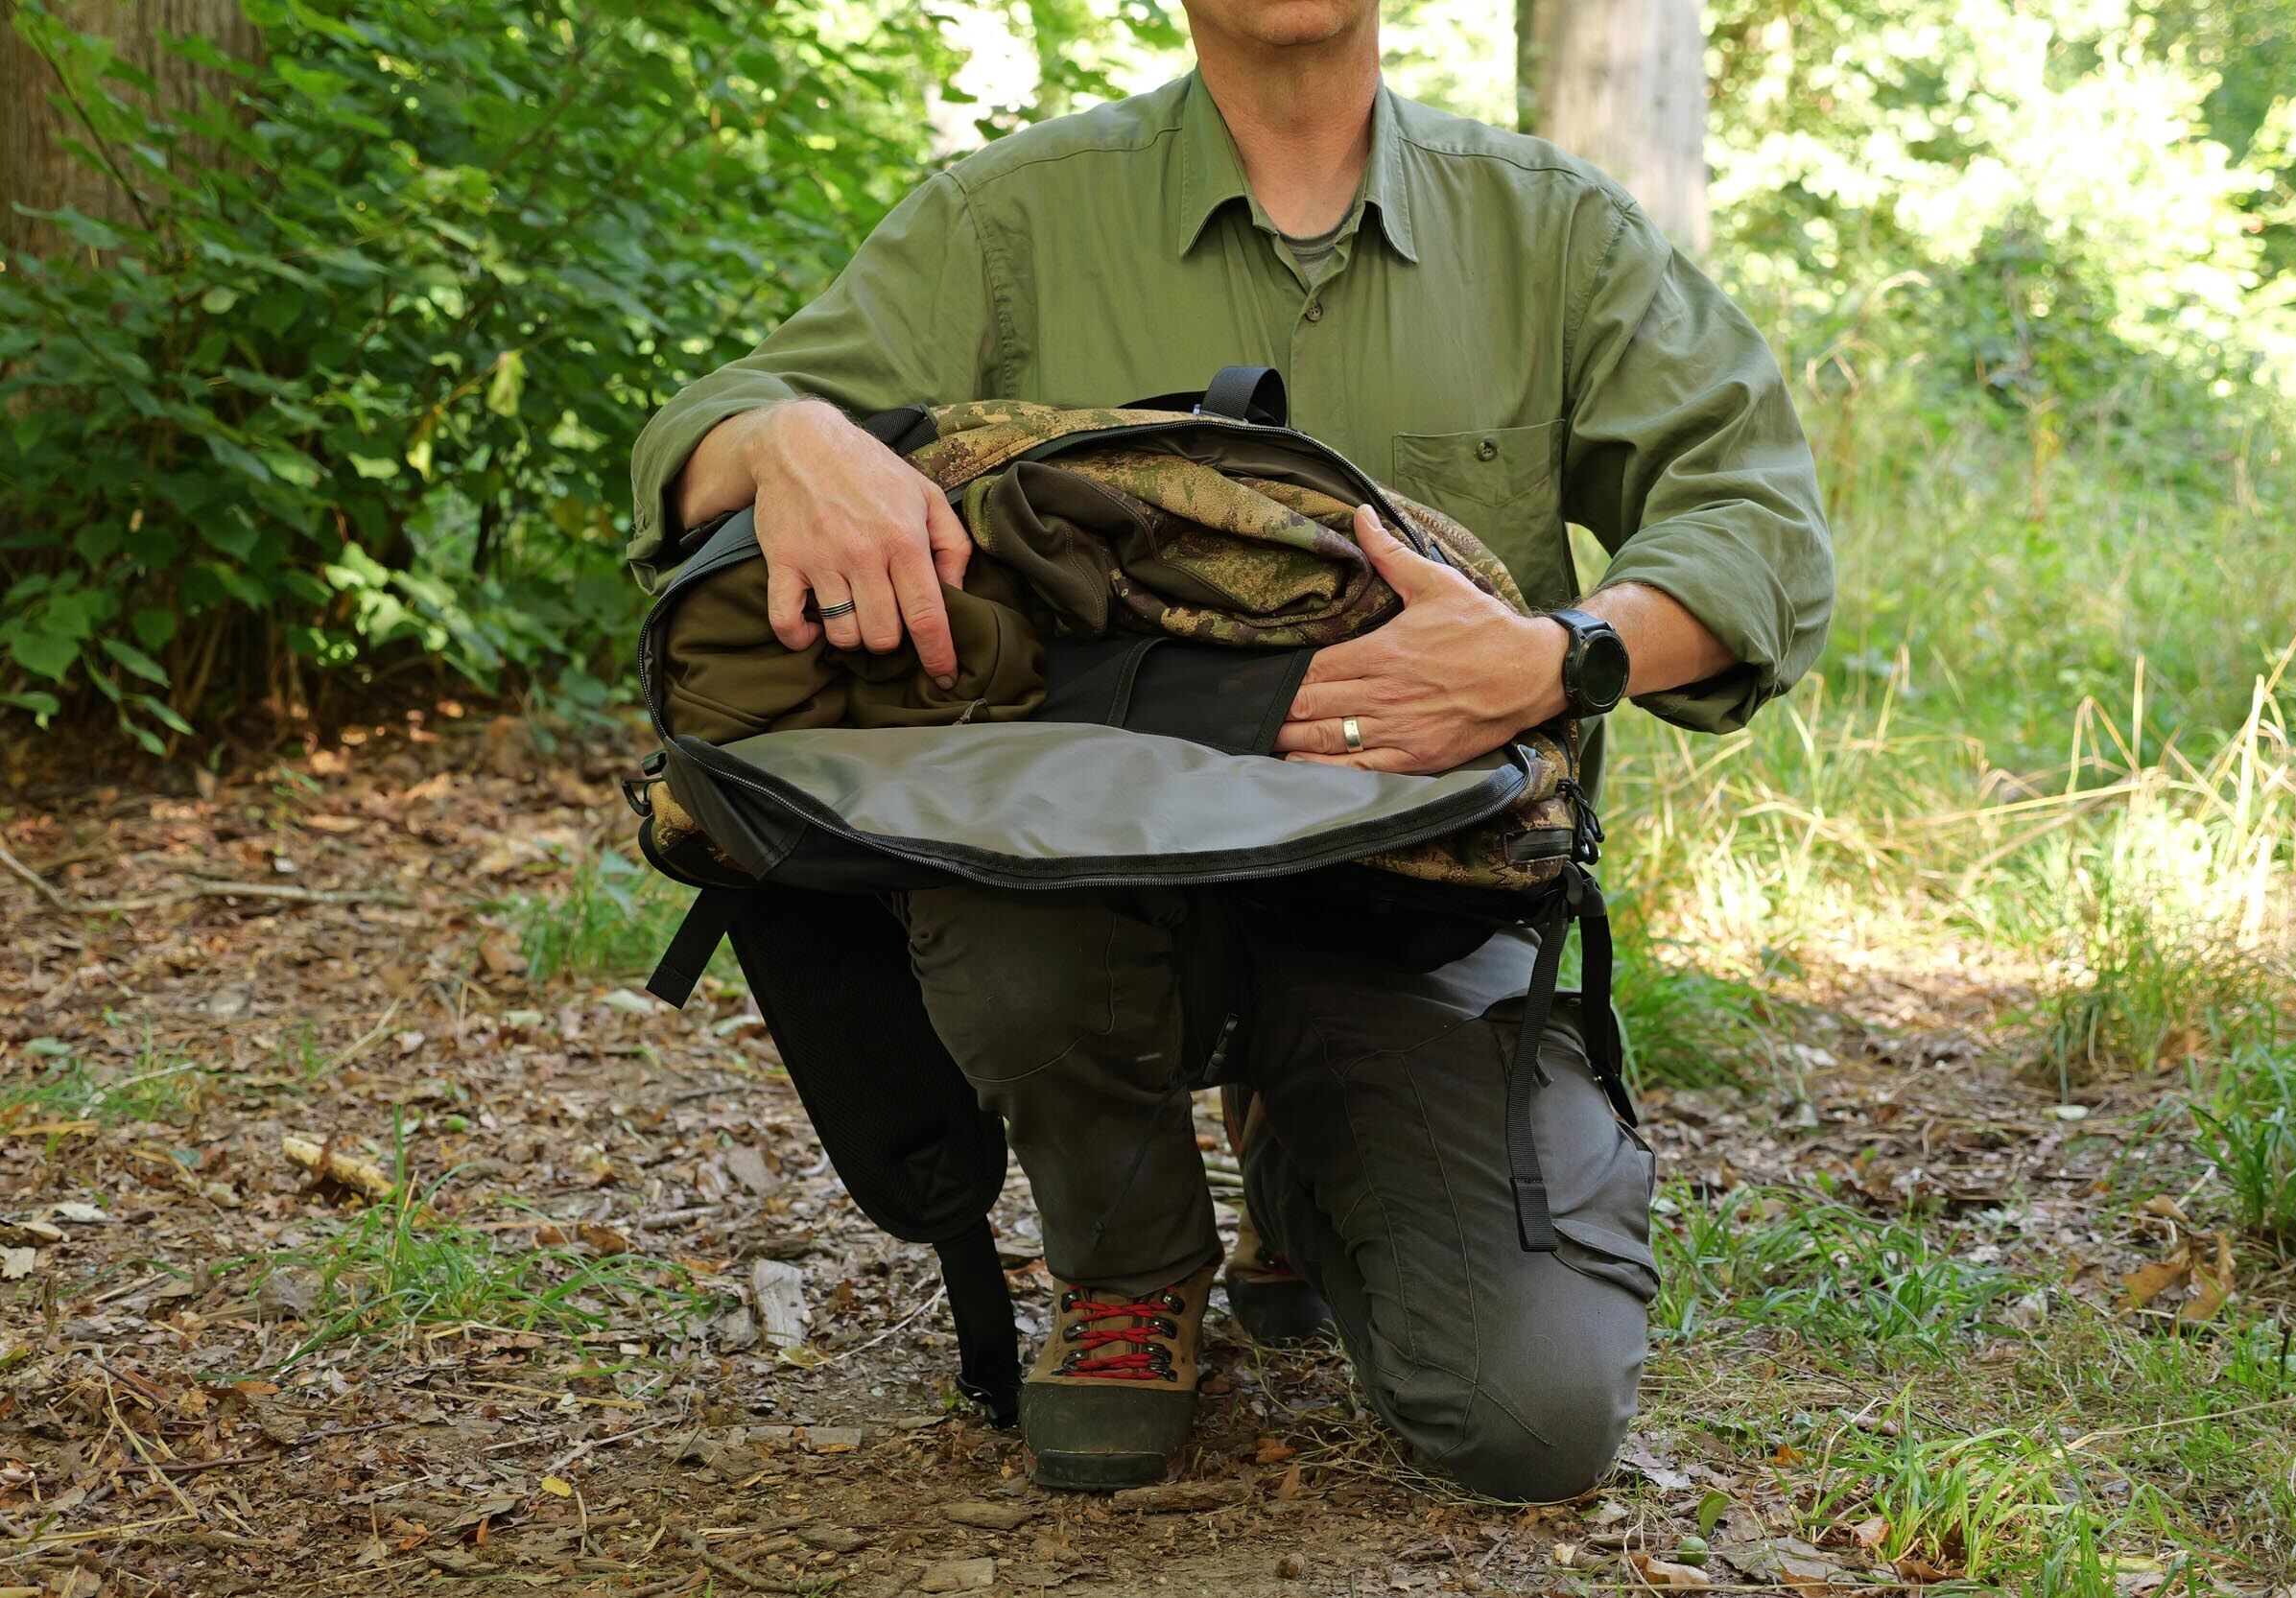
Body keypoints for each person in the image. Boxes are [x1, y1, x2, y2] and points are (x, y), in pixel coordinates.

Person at [628, 0, 1833, 1502]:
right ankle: (1127, 1257)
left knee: (1530, 1413)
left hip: (1417, 895)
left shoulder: (1549, 229)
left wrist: (1556, 653)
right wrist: (792, 440)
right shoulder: (1011, 219)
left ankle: (1306, 1152)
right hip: (1085, 885)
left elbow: (1759, 523)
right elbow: (705, 434)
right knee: (1002, 921)